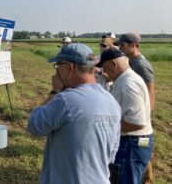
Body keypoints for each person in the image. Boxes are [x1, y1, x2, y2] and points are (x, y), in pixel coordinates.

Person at [27, 43, 121, 184]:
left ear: (69, 67)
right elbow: (112, 152)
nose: (56, 72)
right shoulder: (112, 102)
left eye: (58, 66)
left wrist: (55, 91)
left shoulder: (66, 100)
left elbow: (34, 125)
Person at [96, 47, 153, 184]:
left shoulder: (127, 84)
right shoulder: (125, 78)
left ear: (113, 64)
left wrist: (106, 125)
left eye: (105, 67)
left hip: (131, 145)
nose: (104, 71)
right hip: (134, 143)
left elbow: (137, 122)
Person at [115, 32, 155, 184]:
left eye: (123, 45)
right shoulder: (131, 62)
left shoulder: (141, 65)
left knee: (137, 159)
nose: (120, 48)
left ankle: (147, 179)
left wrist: (146, 115)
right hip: (136, 119)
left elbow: (150, 91)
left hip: (139, 125)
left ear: (133, 45)